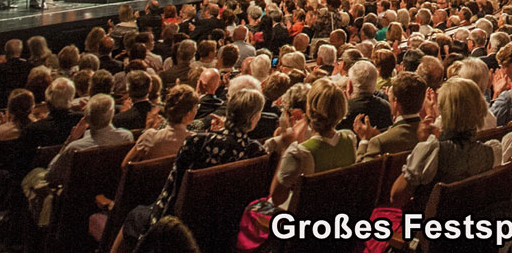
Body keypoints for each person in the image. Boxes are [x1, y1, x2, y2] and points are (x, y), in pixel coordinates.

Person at [112, 89, 266, 253]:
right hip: (225, 228)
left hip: (185, 223)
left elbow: (172, 189)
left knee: (135, 215)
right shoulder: (256, 151)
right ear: (253, 118)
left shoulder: (198, 142)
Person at [390, 78, 494, 209]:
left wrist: (421, 147)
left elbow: (396, 197)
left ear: (445, 111)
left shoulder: (432, 150)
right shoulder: (488, 152)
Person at [268, 78, 357, 208]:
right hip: (338, 210)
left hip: (306, 219)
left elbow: (277, 198)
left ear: (309, 109)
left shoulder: (299, 152)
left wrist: (285, 149)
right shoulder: (350, 138)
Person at [355, 72, 428, 161]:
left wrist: (364, 140)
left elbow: (361, 172)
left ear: (396, 103)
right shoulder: (431, 134)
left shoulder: (379, 143)